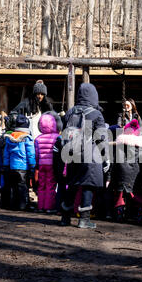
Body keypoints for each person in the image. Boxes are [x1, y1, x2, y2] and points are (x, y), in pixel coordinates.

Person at [59, 83, 108, 229]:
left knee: (72, 185)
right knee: (88, 186)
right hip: (90, 155)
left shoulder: (70, 112)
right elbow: (101, 138)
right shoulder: (96, 114)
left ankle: (65, 218)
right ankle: (84, 220)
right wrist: (105, 158)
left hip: (72, 153)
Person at [109, 119, 142, 222]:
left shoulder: (120, 144)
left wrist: (111, 174)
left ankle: (119, 214)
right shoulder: (141, 146)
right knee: (133, 193)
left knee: (120, 193)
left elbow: (115, 160)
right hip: (134, 172)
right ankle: (138, 213)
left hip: (121, 170)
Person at [3, 114, 36, 211]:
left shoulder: (10, 138)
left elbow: (6, 154)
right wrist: (32, 165)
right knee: (22, 186)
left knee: (14, 186)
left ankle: (14, 204)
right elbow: (31, 154)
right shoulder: (27, 138)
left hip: (12, 166)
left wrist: (6, 165)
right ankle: (22, 205)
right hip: (23, 167)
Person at [34, 111, 62, 213]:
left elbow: (36, 154)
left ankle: (40, 206)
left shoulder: (38, 139)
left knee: (41, 185)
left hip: (41, 164)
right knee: (51, 185)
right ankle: (49, 207)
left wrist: (37, 163)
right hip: (52, 165)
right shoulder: (57, 138)